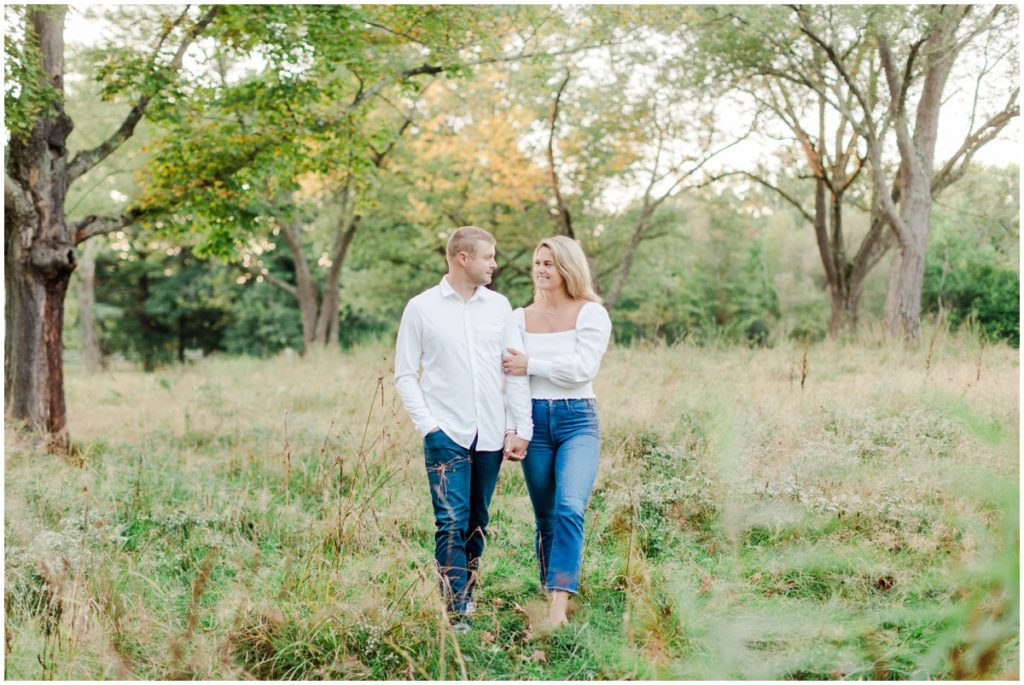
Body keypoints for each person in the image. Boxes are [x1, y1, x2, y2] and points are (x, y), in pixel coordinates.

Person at [394, 226, 533, 629]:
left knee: (477, 521)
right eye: (488, 256)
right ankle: (454, 611)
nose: (494, 264)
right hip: (446, 434)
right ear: (463, 258)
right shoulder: (421, 308)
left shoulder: (500, 306)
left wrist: (515, 426)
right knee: (450, 521)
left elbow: (513, 372)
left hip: (489, 433)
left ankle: (466, 593)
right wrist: (429, 427)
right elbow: (404, 374)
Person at [501, 235, 612, 627]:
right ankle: (553, 594)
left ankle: (557, 610)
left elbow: (582, 370)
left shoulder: (591, 314)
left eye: (549, 263)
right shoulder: (518, 317)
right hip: (534, 422)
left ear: (567, 268)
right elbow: (511, 379)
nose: (541, 269)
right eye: (537, 262)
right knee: (546, 516)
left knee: (569, 506)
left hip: (577, 420)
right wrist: (515, 428)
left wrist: (533, 363)